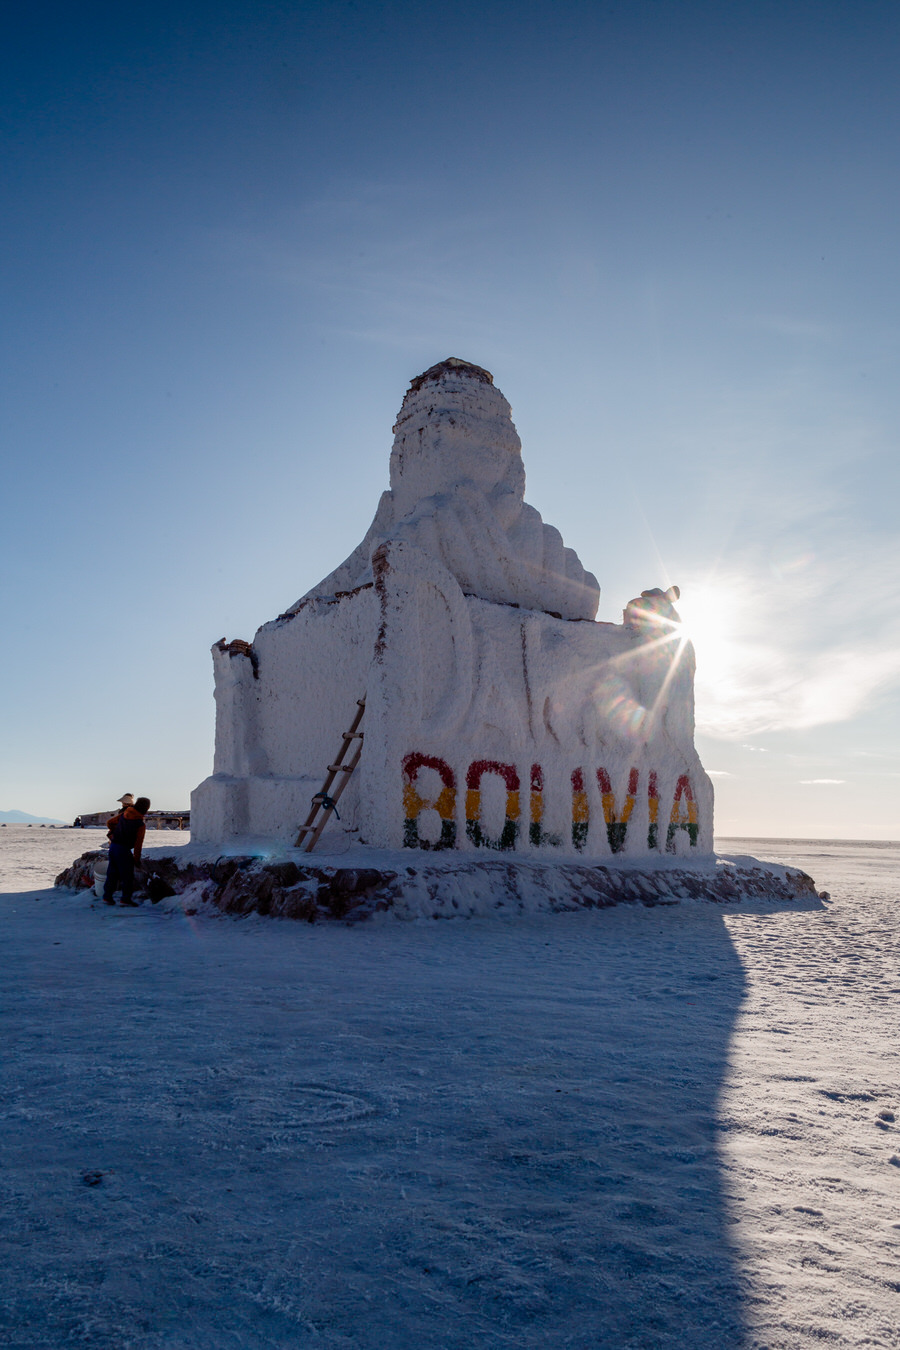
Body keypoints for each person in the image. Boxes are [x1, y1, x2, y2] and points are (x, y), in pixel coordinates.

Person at [102, 796, 150, 907]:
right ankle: (125, 899)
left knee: (112, 873)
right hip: (123, 849)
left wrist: (114, 831)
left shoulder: (125, 814)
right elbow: (138, 844)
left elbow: (110, 822)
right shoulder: (140, 824)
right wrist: (136, 860)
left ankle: (107, 897)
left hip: (113, 846)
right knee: (127, 875)